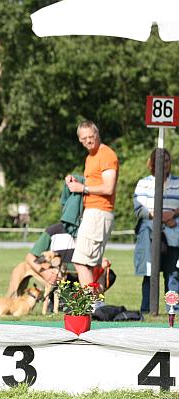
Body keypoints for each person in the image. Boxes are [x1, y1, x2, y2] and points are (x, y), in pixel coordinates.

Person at [65, 120, 119, 286]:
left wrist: (83, 188)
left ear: (97, 134)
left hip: (99, 212)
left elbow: (109, 188)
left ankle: (88, 301)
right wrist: (76, 181)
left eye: (91, 136)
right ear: (80, 140)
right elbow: (94, 183)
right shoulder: (90, 157)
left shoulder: (106, 154)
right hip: (92, 212)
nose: (88, 140)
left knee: (81, 262)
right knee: (91, 265)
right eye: (84, 138)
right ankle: (94, 301)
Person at [133, 148, 179, 313]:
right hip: (150, 232)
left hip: (174, 232)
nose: (164, 164)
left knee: (173, 273)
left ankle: (173, 309)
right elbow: (139, 209)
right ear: (152, 163)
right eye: (160, 161)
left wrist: (173, 214)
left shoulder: (177, 182)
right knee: (149, 273)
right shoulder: (143, 183)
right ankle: (147, 308)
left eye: (166, 160)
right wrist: (160, 216)